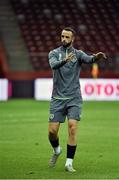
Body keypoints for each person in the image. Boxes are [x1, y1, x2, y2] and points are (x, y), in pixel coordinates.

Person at [48, 27, 106, 172]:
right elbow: (53, 65)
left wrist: (96, 57)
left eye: (67, 37)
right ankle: (57, 150)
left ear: (72, 39)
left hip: (74, 98)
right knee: (52, 132)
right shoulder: (54, 53)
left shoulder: (78, 54)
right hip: (57, 98)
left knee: (72, 128)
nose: (64, 39)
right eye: (62, 36)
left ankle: (69, 163)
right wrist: (65, 60)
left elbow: (89, 59)